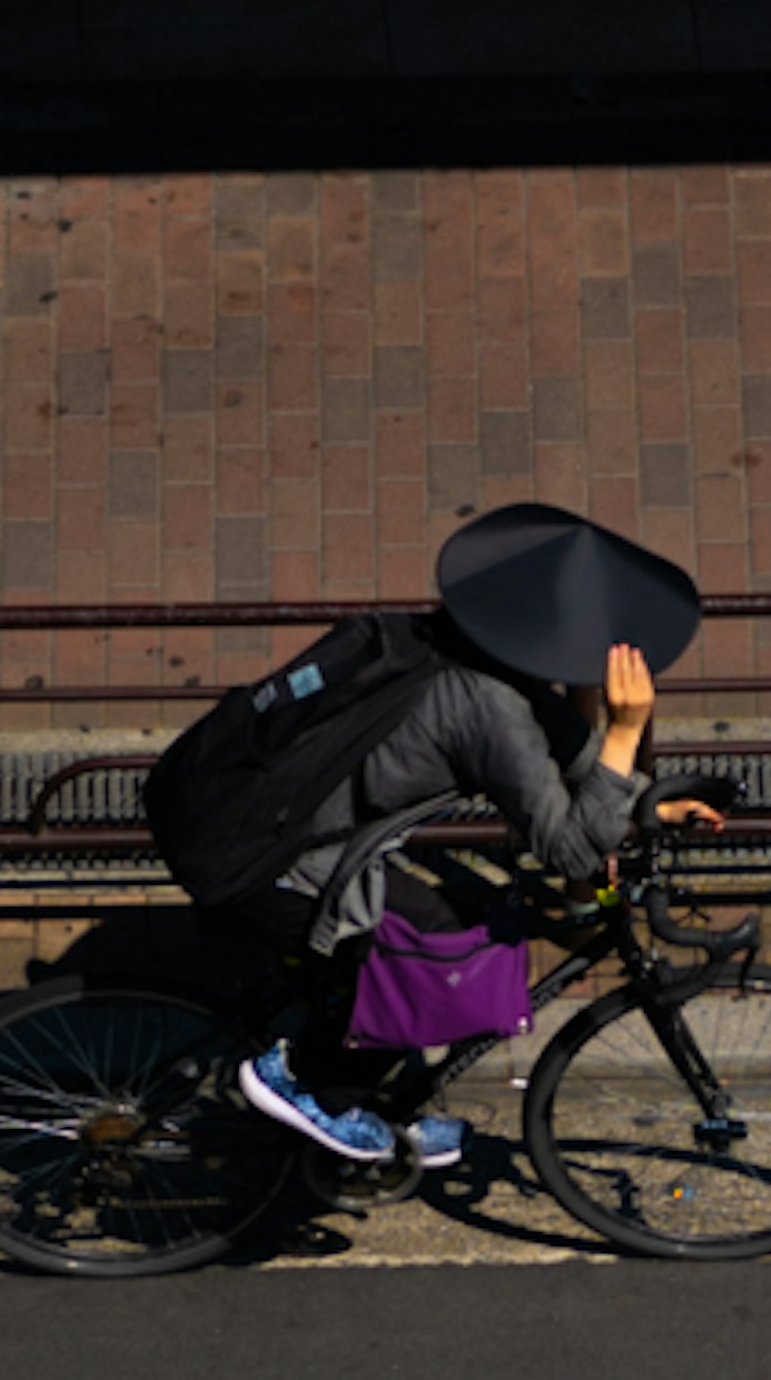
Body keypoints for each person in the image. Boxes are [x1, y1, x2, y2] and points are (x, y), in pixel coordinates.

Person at [230, 501, 725, 1175]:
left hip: (280, 827)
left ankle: (370, 1090)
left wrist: (653, 806)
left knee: (449, 928)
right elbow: (571, 852)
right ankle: (308, 1083)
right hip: (282, 863)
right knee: (441, 950)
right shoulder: (487, 704)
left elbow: (569, 752)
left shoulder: (464, 648)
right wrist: (626, 730)